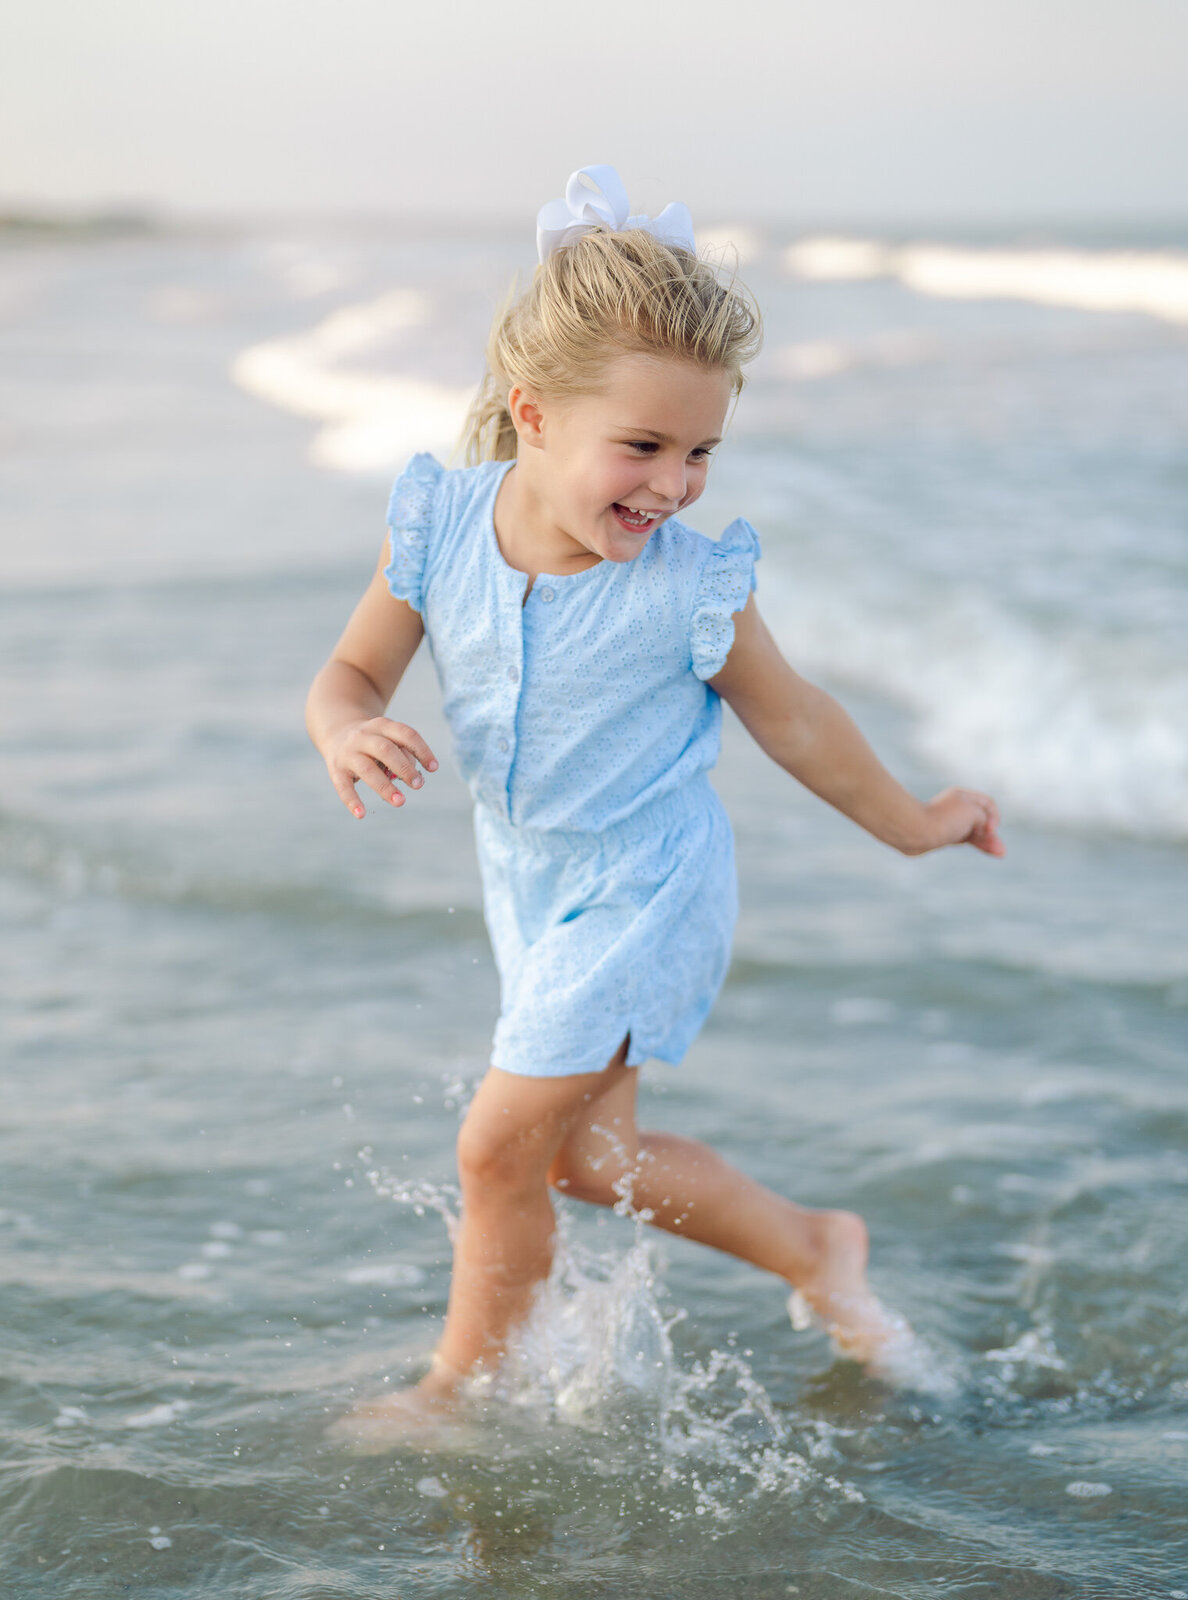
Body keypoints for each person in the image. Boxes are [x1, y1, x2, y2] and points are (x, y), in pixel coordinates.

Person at [305, 166, 1004, 1436]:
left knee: (494, 1148)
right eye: (643, 446)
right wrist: (348, 724)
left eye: (700, 452)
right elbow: (350, 670)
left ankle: (459, 1389)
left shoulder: (687, 587)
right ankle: (816, 1246)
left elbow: (795, 718)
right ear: (531, 415)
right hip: (530, 881)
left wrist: (916, 822)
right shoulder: (440, 526)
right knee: (591, 1161)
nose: (675, 484)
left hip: (646, 883)